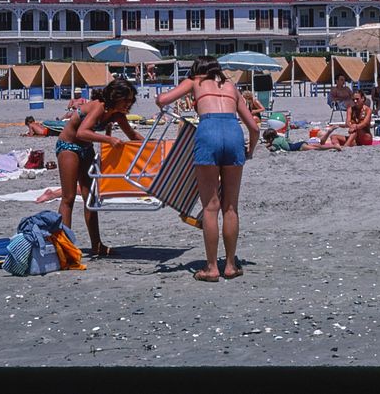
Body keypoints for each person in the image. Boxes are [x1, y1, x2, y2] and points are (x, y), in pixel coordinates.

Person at [155, 56, 258, 282]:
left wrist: (158, 98)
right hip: (233, 132)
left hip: (208, 130)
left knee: (210, 207)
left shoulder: (194, 81)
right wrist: (250, 151)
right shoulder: (231, 87)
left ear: (197, 69)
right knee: (230, 207)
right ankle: (230, 265)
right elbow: (254, 127)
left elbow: (163, 100)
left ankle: (211, 268)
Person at [55, 78, 143, 258]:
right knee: (68, 197)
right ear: (115, 97)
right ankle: (64, 247)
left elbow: (132, 134)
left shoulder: (117, 114)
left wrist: (154, 146)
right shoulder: (99, 107)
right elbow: (81, 132)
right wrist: (109, 139)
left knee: (91, 199)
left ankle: (97, 245)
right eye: (126, 100)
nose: (129, 104)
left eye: (131, 101)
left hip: (85, 149)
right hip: (68, 147)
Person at [262, 127, 342, 152]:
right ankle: (333, 146)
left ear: (270, 138)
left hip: (298, 147)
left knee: (317, 147)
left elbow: (274, 149)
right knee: (317, 145)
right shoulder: (279, 137)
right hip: (298, 144)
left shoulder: (275, 142)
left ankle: (334, 147)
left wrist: (268, 147)